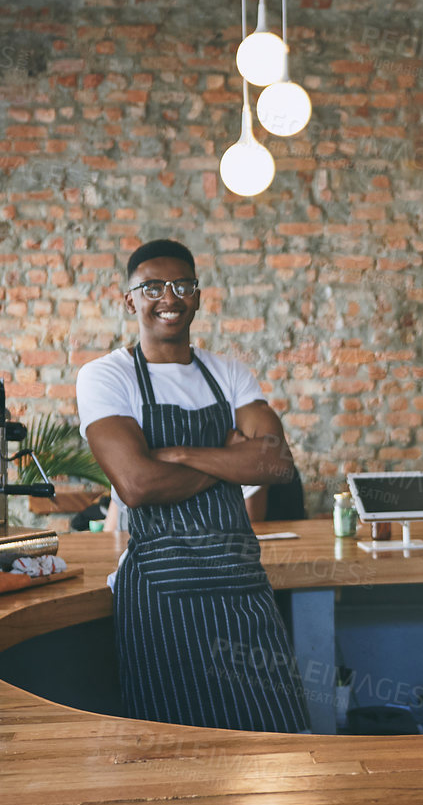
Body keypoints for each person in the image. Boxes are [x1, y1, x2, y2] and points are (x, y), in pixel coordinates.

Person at [76, 239, 307, 732]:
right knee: (173, 748)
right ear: (130, 299)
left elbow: (277, 466)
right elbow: (136, 484)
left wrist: (177, 454)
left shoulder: (228, 373)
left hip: (241, 584)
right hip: (162, 593)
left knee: (279, 736)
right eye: (153, 287)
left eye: (182, 286)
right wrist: (234, 459)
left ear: (198, 296)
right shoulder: (107, 377)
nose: (169, 298)